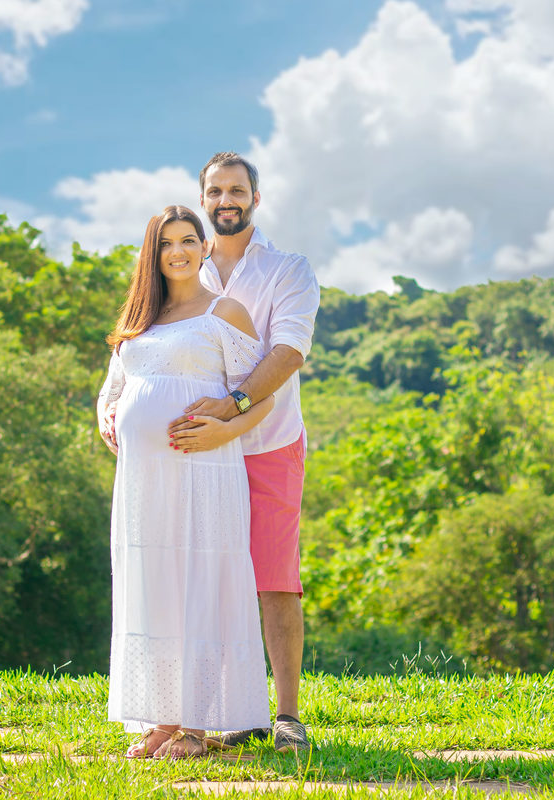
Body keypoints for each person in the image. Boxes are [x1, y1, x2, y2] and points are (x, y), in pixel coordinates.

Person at [97, 205, 275, 759]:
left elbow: (260, 395)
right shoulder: (139, 318)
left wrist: (224, 432)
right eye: (166, 243)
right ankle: (163, 716)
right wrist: (109, 414)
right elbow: (116, 384)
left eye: (188, 240)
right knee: (155, 583)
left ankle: (197, 725)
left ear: (204, 247)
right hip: (143, 479)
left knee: (199, 579)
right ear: (153, 254)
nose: (178, 251)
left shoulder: (226, 312)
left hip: (204, 472)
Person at [167, 152, 320, 753]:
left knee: (275, 578)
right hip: (196, 450)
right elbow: (139, 330)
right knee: (202, 576)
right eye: (215, 192)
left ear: (256, 197)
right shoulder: (182, 267)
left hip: (269, 443)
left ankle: (286, 715)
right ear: (202, 199)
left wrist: (232, 407)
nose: (225, 200)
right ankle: (219, 710)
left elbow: (289, 353)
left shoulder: (288, 269)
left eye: (236, 190)